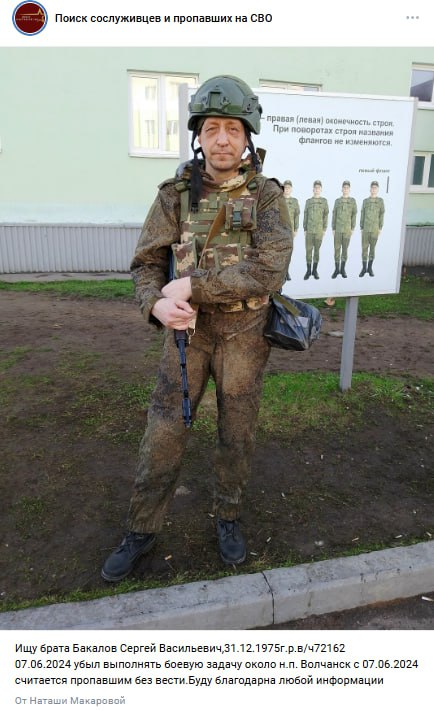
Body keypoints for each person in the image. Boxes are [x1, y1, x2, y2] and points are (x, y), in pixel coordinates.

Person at [101, 75, 293, 582]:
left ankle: (227, 516)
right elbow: (146, 263)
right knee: (165, 430)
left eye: (233, 128)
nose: (222, 139)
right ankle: (141, 528)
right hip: (186, 335)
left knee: (237, 430)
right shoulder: (175, 195)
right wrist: (156, 306)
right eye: (212, 129)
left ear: (247, 135)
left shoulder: (267, 197)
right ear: (198, 136)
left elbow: (268, 269)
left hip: (246, 332)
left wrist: (191, 286)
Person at [303, 180, 329, 280]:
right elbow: (305, 215)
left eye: (319, 188)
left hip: (319, 231)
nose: (317, 189)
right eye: (315, 187)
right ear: (313, 189)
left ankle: (315, 270)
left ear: (321, 189)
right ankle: (308, 271)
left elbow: (326, 215)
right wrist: (305, 228)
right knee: (308, 251)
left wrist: (324, 228)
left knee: (317, 251)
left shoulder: (324, 201)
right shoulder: (308, 201)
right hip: (309, 230)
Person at [331, 180, 357, 278]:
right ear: (342, 189)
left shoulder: (352, 201)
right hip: (338, 229)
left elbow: (354, 215)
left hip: (347, 230)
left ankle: (342, 269)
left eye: (347, 188)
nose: (345, 189)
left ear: (349, 189)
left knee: (345, 250)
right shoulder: (337, 201)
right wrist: (333, 228)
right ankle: (336, 269)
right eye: (344, 187)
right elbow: (334, 215)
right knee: (337, 250)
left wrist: (352, 228)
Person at [359, 180, 385, 277]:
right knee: (364, 249)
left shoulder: (380, 201)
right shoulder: (365, 201)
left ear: (377, 189)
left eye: (375, 188)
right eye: (372, 187)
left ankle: (370, 268)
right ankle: (364, 268)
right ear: (370, 189)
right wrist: (361, 227)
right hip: (366, 228)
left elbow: (382, 214)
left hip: (375, 229)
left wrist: (380, 227)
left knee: (372, 249)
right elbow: (362, 214)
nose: (374, 189)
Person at [283, 180, 300, 280]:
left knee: (288, 251)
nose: (287, 189)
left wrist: (296, 228)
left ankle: (286, 271)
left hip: (290, 230)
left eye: (288, 187)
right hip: (280, 230)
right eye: (285, 187)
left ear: (291, 189)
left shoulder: (294, 201)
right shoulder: (278, 200)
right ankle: (281, 273)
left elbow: (296, 215)